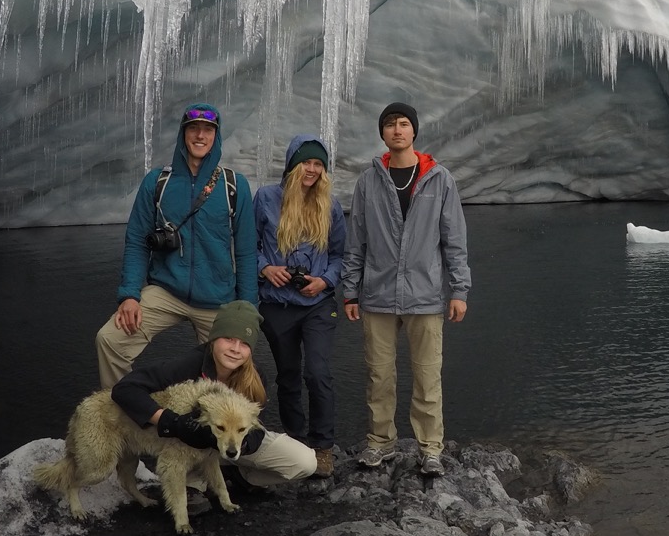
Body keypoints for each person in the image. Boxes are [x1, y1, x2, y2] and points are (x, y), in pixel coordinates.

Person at [341, 102, 470, 476]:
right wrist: (350, 292)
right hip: (378, 295)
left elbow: (455, 241)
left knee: (427, 376)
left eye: (403, 124)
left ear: (414, 131)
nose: (397, 130)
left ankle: (430, 448)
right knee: (378, 375)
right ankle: (380, 443)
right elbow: (356, 242)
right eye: (389, 125)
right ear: (382, 134)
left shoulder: (439, 179)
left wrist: (459, 290)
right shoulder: (369, 181)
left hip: (425, 295)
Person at [95, 102, 257, 389]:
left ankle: (218, 428)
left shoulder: (234, 186)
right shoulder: (157, 182)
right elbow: (136, 242)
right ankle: (121, 413)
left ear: (215, 137)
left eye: (208, 130)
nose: (200, 136)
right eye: (193, 128)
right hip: (166, 290)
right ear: (183, 134)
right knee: (110, 340)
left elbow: (246, 253)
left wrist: (248, 311)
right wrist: (129, 295)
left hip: (218, 298)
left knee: (231, 368)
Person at [111, 299, 317, 486]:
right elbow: (125, 389)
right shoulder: (189, 365)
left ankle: (242, 476)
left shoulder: (255, 377)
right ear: (213, 339)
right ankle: (199, 481)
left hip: (232, 444)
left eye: (244, 343)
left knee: (305, 462)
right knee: (186, 493)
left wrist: (244, 445)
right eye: (228, 338)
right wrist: (169, 421)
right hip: (191, 446)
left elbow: (256, 427)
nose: (236, 349)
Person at [254, 134, 346, 478]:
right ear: (293, 165)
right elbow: (248, 246)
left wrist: (325, 281)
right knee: (289, 376)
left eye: (318, 165)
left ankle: (323, 447)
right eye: (306, 162)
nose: (312, 170)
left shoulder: (330, 206)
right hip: (276, 304)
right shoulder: (265, 198)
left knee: (317, 373)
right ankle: (296, 442)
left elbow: (339, 255)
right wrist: (265, 267)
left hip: (317, 304)